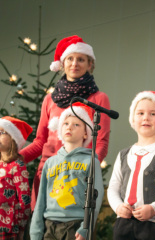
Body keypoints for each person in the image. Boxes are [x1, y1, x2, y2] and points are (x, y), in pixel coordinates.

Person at [19, 35, 111, 210]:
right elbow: (40, 141)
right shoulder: (49, 99)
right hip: (47, 172)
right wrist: (16, 159)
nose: (74, 64)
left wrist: (87, 169)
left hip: (77, 175)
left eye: (81, 59)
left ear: (90, 64)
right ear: (62, 63)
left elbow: (102, 142)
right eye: (70, 58)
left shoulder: (98, 99)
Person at [30, 103, 104, 240]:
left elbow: (96, 198)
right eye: (66, 123)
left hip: (75, 226)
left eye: (76, 125)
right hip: (49, 226)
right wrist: (35, 231)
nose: (69, 127)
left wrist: (86, 228)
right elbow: (41, 199)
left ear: (86, 132)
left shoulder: (91, 162)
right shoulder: (50, 163)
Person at [107, 91, 155, 240]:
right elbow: (113, 187)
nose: (146, 118)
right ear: (133, 119)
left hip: (153, 225)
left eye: (153, 114)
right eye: (140, 113)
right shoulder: (123, 154)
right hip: (123, 224)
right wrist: (118, 207)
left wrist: (154, 209)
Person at [0, 117, 32, 240]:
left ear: (13, 139)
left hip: (7, 226)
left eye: (2, 132)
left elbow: (25, 201)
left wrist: (21, 229)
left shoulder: (17, 165)